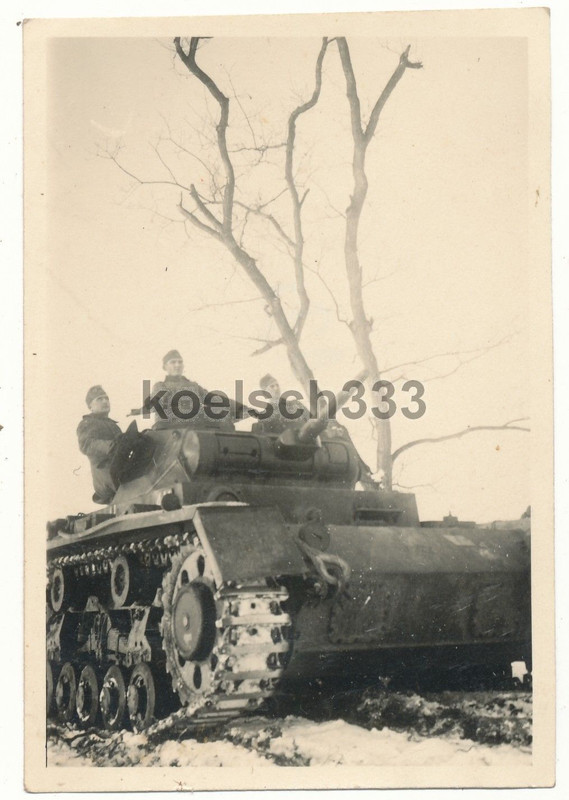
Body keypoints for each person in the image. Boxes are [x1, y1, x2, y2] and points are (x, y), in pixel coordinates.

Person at [77, 385, 122, 504]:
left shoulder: (114, 426)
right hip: (104, 472)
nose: (105, 401)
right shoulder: (87, 423)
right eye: (99, 399)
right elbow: (86, 444)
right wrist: (109, 446)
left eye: (106, 398)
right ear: (90, 406)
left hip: (119, 468)